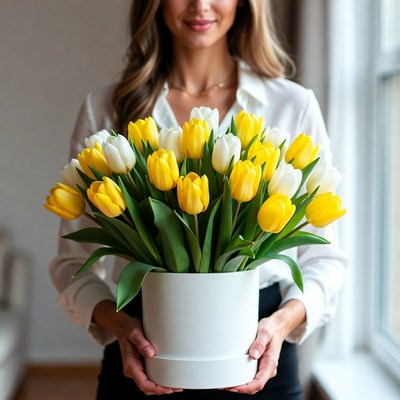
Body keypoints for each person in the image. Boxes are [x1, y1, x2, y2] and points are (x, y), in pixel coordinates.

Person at [49, 1, 347, 399]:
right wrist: (120, 327)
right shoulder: (107, 108)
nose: (199, 5)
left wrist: (280, 325)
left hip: (261, 353)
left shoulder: (290, 105)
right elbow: (72, 261)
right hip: (142, 350)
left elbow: (324, 258)